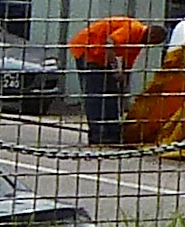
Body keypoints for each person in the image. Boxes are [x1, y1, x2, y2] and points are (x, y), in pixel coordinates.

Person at [65, 11, 158, 148]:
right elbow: (110, 44)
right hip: (88, 49)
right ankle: (97, 135)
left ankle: (113, 133)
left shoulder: (139, 41)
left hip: (102, 57)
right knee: (96, 94)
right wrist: (115, 70)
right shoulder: (134, 29)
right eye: (152, 42)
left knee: (111, 94)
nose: (150, 45)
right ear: (151, 35)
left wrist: (123, 79)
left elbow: (128, 61)